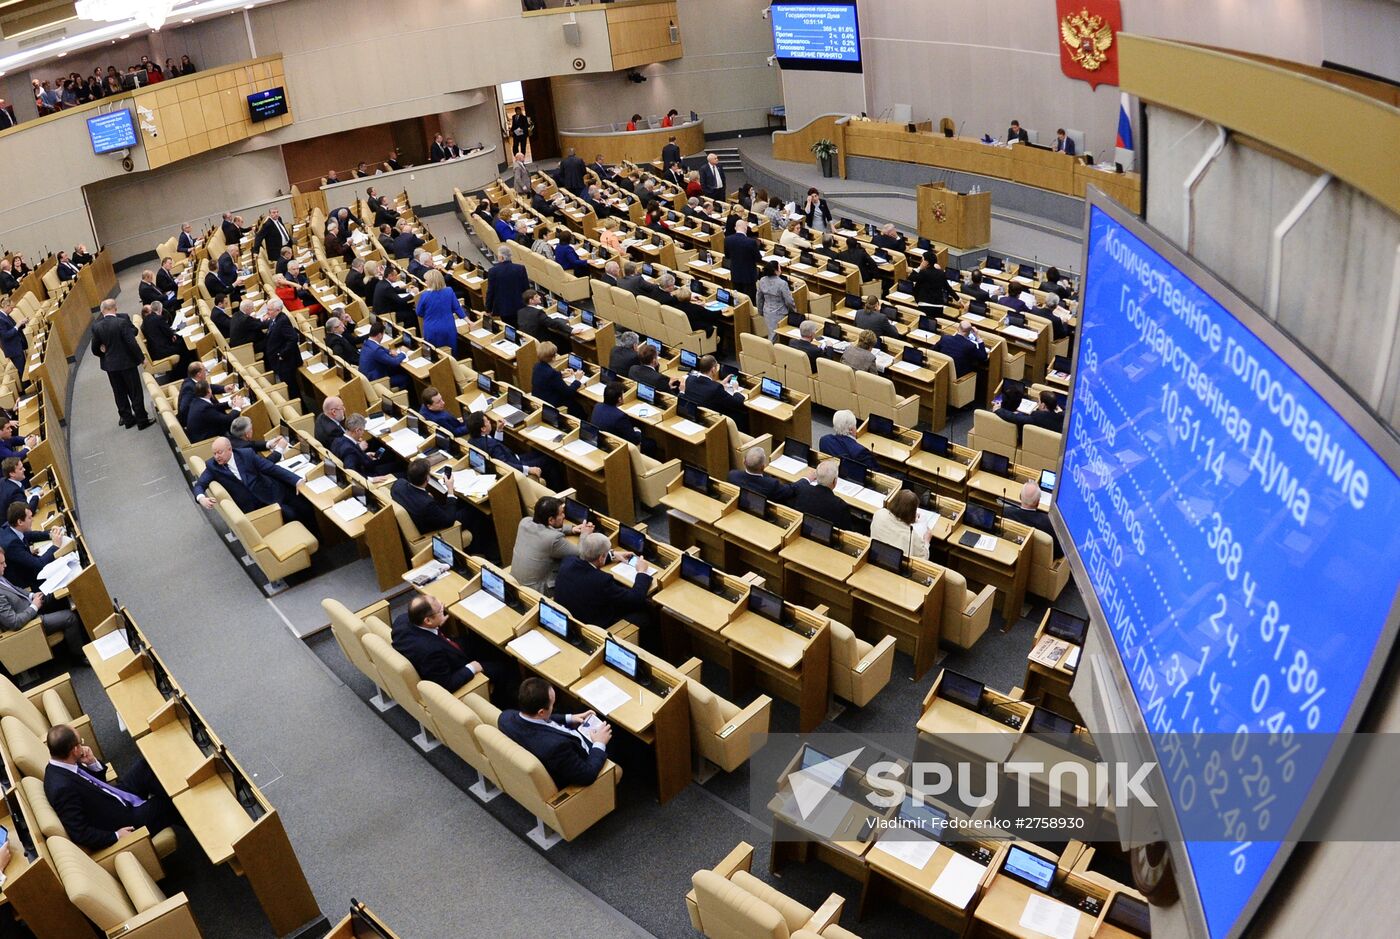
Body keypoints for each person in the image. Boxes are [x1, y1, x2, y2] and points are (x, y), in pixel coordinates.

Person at [43, 724, 178, 851]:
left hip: (116, 794)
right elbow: (80, 832)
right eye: (80, 742)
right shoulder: (61, 789)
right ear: (74, 750)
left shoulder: (62, 762)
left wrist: (92, 763)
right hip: (125, 819)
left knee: (145, 766)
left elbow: (96, 784)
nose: (83, 745)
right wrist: (116, 835)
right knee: (167, 800)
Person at [392, 594, 513, 698]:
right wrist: (473, 667)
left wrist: (436, 623)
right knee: (502, 668)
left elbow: (424, 633)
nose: (443, 609)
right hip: (454, 666)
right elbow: (446, 684)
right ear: (428, 621)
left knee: (480, 640)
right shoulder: (430, 651)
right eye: (440, 610)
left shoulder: (401, 621)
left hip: (448, 648)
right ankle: (502, 698)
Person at [499, 677, 611, 789]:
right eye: (552, 704)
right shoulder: (556, 747)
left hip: (563, 740)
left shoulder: (506, 718)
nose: (553, 707)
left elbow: (538, 719)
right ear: (541, 712)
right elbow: (587, 775)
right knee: (617, 737)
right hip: (582, 757)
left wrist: (569, 718)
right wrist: (599, 744)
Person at [194, 437, 307, 524]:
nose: (217, 456)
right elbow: (199, 485)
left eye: (220, 452)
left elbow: (271, 468)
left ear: (229, 449)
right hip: (253, 506)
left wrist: (296, 480)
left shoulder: (246, 454)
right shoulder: (212, 466)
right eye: (214, 453)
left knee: (304, 504)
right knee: (291, 514)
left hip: (269, 491)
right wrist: (201, 498)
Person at [553, 532, 653, 630]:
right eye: (606, 553)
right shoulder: (602, 580)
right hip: (594, 625)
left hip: (571, 617)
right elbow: (636, 599)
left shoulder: (567, 561)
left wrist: (613, 555)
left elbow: (588, 559)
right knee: (644, 614)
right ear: (601, 558)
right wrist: (642, 572)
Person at [0, 549, 85, 658]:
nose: (6, 565)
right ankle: (79, 656)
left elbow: (15, 589)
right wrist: (34, 606)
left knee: (55, 594)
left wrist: (31, 595)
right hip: (30, 623)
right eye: (2, 563)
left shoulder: (0, 577)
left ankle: (82, 631)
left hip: (30, 605)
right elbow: (14, 623)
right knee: (70, 617)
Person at [90, 300, 151, 429]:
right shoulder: (121, 322)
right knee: (135, 391)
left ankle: (128, 420)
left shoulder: (96, 326)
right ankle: (142, 420)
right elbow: (131, 343)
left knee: (119, 393)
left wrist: (104, 353)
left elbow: (94, 349)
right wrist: (141, 358)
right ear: (115, 308)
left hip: (110, 366)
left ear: (102, 311)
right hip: (127, 363)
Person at [512, 496, 592, 594]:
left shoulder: (524, 522)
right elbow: (581, 553)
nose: (564, 516)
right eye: (561, 513)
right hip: (536, 591)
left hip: (515, 583)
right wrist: (584, 534)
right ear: (550, 520)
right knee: (576, 567)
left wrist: (571, 529)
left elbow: (544, 529)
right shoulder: (554, 539)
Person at [0, 504, 66, 591]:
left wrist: (51, 534)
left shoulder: (11, 526)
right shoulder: (12, 544)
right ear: (20, 522)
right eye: (30, 518)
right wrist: (55, 546)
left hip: (29, 568)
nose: (33, 520)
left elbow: (29, 535)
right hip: (28, 582)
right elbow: (38, 564)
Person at [391, 458, 462, 534]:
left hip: (417, 516)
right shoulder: (427, 504)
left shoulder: (398, 484)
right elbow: (449, 521)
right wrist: (450, 490)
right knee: (470, 511)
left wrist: (426, 496)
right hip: (431, 530)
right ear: (427, 478)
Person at [466, 412, 544, 479]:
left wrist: (499, 430)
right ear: (483, 428)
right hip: (517, 465)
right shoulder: (492, 445)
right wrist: (529, 469)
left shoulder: (472, 440)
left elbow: (494, 447)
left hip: (514, 457)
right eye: (487, 421)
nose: (490, 421)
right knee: (548, 460)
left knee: (539, 453)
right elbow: (505, 465)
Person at [416, 270, 469, 356]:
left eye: (426, 280)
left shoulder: (425, 295)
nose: (425, 281)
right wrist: (469, 321)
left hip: (432, 329)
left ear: (432, 281)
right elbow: (457, 308)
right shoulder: (449, 291)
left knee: (434, 355)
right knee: (452, 354)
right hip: (448, 327)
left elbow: (419, 313)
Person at [685, 355, 747, 427]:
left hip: (698, 416)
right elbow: (737, 402)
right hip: (716, 421)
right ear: (713, 369)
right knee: (743, 412)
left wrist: (721, 383)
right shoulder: (716, 388)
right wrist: (736, 390)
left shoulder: (690, 379)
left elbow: (706, 387)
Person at [871, 489, 933, 560]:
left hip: (875, 558)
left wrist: (911, 517)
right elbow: (924, 558)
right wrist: (927, 541)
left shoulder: (879, 514)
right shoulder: (912, 537)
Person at [791, 460, 853, 531]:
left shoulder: (802, 490)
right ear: (835, 481)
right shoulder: (841, 505)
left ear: (816, 477)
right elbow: (847, 532)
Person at [1005, 480, 1061, 557]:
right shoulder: (1048, 523)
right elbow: (1059, 552)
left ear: (1020, 497)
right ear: (1038, 502)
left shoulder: (1006, 513)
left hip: (1010, 553)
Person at [140, 301, 192, 382]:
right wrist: (173, 335)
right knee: (184, 347)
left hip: (154, 351)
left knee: (180, 343)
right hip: (162, 350)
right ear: (160, 310)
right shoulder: (159, 318)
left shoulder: (145, 321)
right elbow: (169, 333)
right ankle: (180, 375)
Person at [332, 414, 393, 480]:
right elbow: (352, 473)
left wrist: (364, 455)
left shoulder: (337, 440)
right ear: (357, 430)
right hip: (368, 475)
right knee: (399, 467)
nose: (363, 433)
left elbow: (353, 456)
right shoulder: (349, 450)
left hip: (365, 466)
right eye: (363, 430)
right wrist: (372, 479)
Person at [728, 446, 796, 505]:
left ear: (744, 462)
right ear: (763, 467)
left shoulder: (732, 475)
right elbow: (790, 491)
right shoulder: (771, 484)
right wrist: (804, 480)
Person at [820, 409, 880, 474]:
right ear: (851, 430)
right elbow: (875, 473)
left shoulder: (825, 441)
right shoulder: (860, 451)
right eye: (855, 426)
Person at [591, 381, 646, 448]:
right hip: (617, 446)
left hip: (601, 442)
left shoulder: (597, 406)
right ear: (619, 399)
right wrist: (638, 431)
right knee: (651, 443)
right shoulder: (620, 416)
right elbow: (634, 440)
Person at [263, 298, 302, 392]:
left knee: (291, 387)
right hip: (279, 361)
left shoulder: (282, 320)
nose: (267, 312)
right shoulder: (275, 319)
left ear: (278, 310)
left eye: (270, 310)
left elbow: (293, 338)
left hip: (285, 362)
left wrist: (282, 354)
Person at [358, 320, 409, 390]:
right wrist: (403, 353)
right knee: (406, 377)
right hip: (378, 381)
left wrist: (390, 351)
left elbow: (380, 349)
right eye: (383, 334)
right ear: (379, 335)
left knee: (397, 369)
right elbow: (394, 362)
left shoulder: (367, 342)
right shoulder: (376, 350)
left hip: (371, 375)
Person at [531, 342, 582, 409]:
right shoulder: (552, 373)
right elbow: (568, 392)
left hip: (540, 400)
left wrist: (561, 374)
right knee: (579, 408)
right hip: (552, 404)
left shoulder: (537, 366)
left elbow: (546, 377)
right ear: (553, 358)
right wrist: (577, 380)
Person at [485, 246, 529, 320]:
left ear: (501, 257)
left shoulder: (493, 271)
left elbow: (490, 291)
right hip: (520, 306)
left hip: (504, 308)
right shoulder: (520, 268)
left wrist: (488, 309)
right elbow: (526, 288)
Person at [755, 262, 796, 340]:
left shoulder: (762, 280)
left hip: (766, 311)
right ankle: (770, 351)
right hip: (780, 313)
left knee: (771, 333)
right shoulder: (782, 283)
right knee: (774, 336)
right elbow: (789, 301)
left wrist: (760, 311)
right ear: (775, 270)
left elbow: (759, 298)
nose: (780, 269)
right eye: (779, 268)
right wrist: (793, 311)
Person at [724, 218, 760, 300]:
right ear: (746, 228)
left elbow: (727, 256)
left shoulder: (727, 239)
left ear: (735, 228)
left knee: (738, 298)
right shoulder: (751, 242)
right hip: (749, 275)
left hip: (735, 273)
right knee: (749, 299)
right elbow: (758, 258)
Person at [0, 298, 26, 378]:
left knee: (24, 369)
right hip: (13, 349)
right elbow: (5, 335)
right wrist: (17, 326)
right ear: (6, 306)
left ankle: (30, 387)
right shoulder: (0, 318)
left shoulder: (5, 315)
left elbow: (14, 327)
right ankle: (29, 389)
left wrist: (22, 324)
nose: (12, 310)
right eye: (11, 308)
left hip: (17, 346)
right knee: (23, 371)